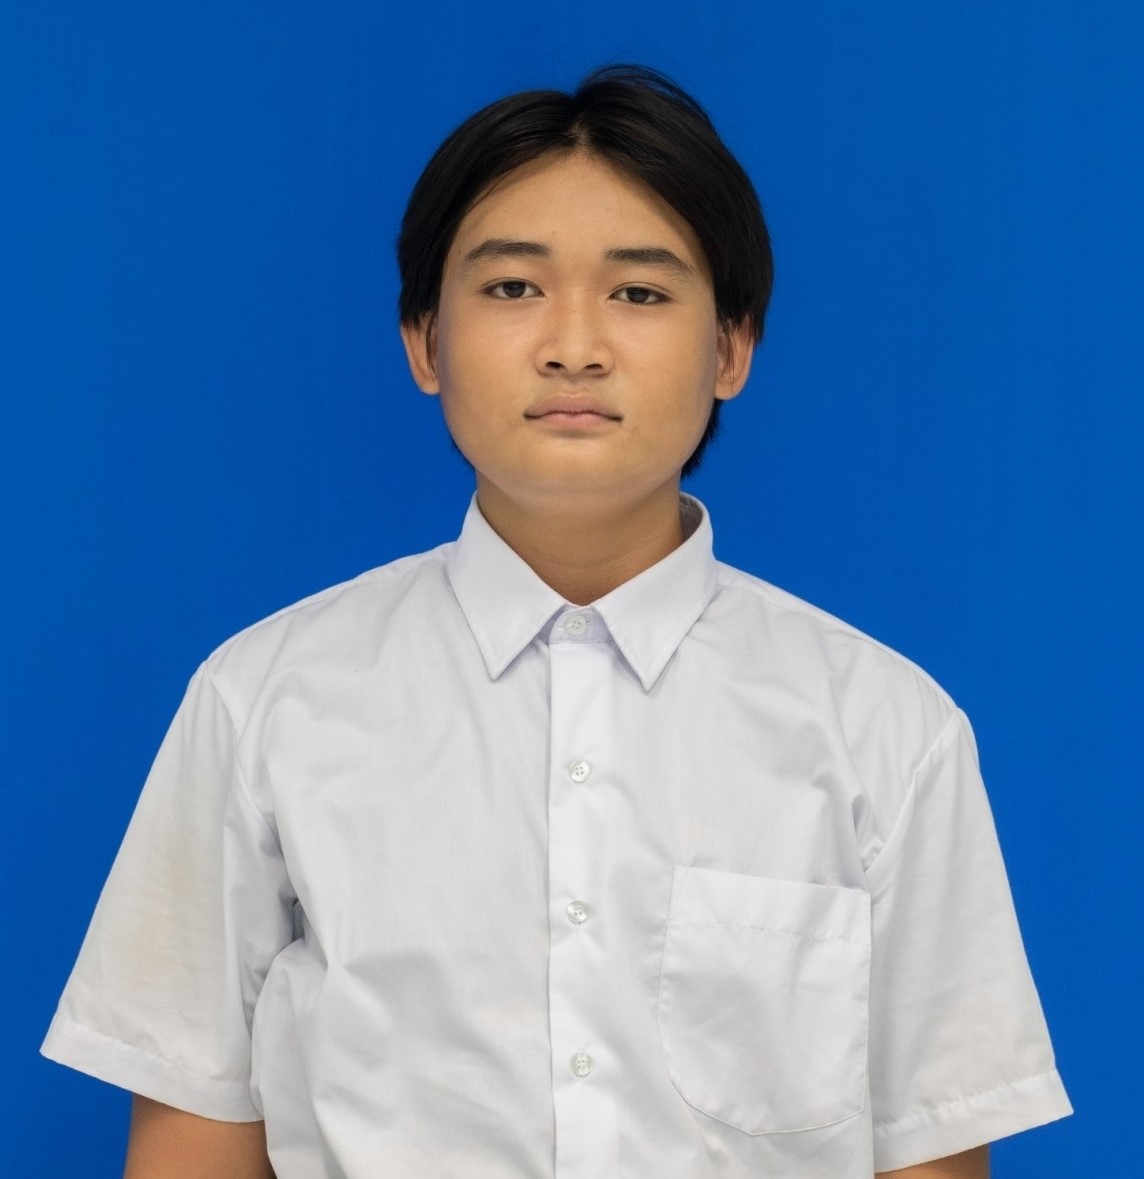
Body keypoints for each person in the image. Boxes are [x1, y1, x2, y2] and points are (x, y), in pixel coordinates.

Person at [43, 65, 1071, 1178]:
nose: (573, 345)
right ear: (424, 341)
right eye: (512, 287)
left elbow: (929, 1148)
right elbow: (193, 1128)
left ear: (731, 348)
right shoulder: (263, 702)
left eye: (639, 294)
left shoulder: (887, 729)